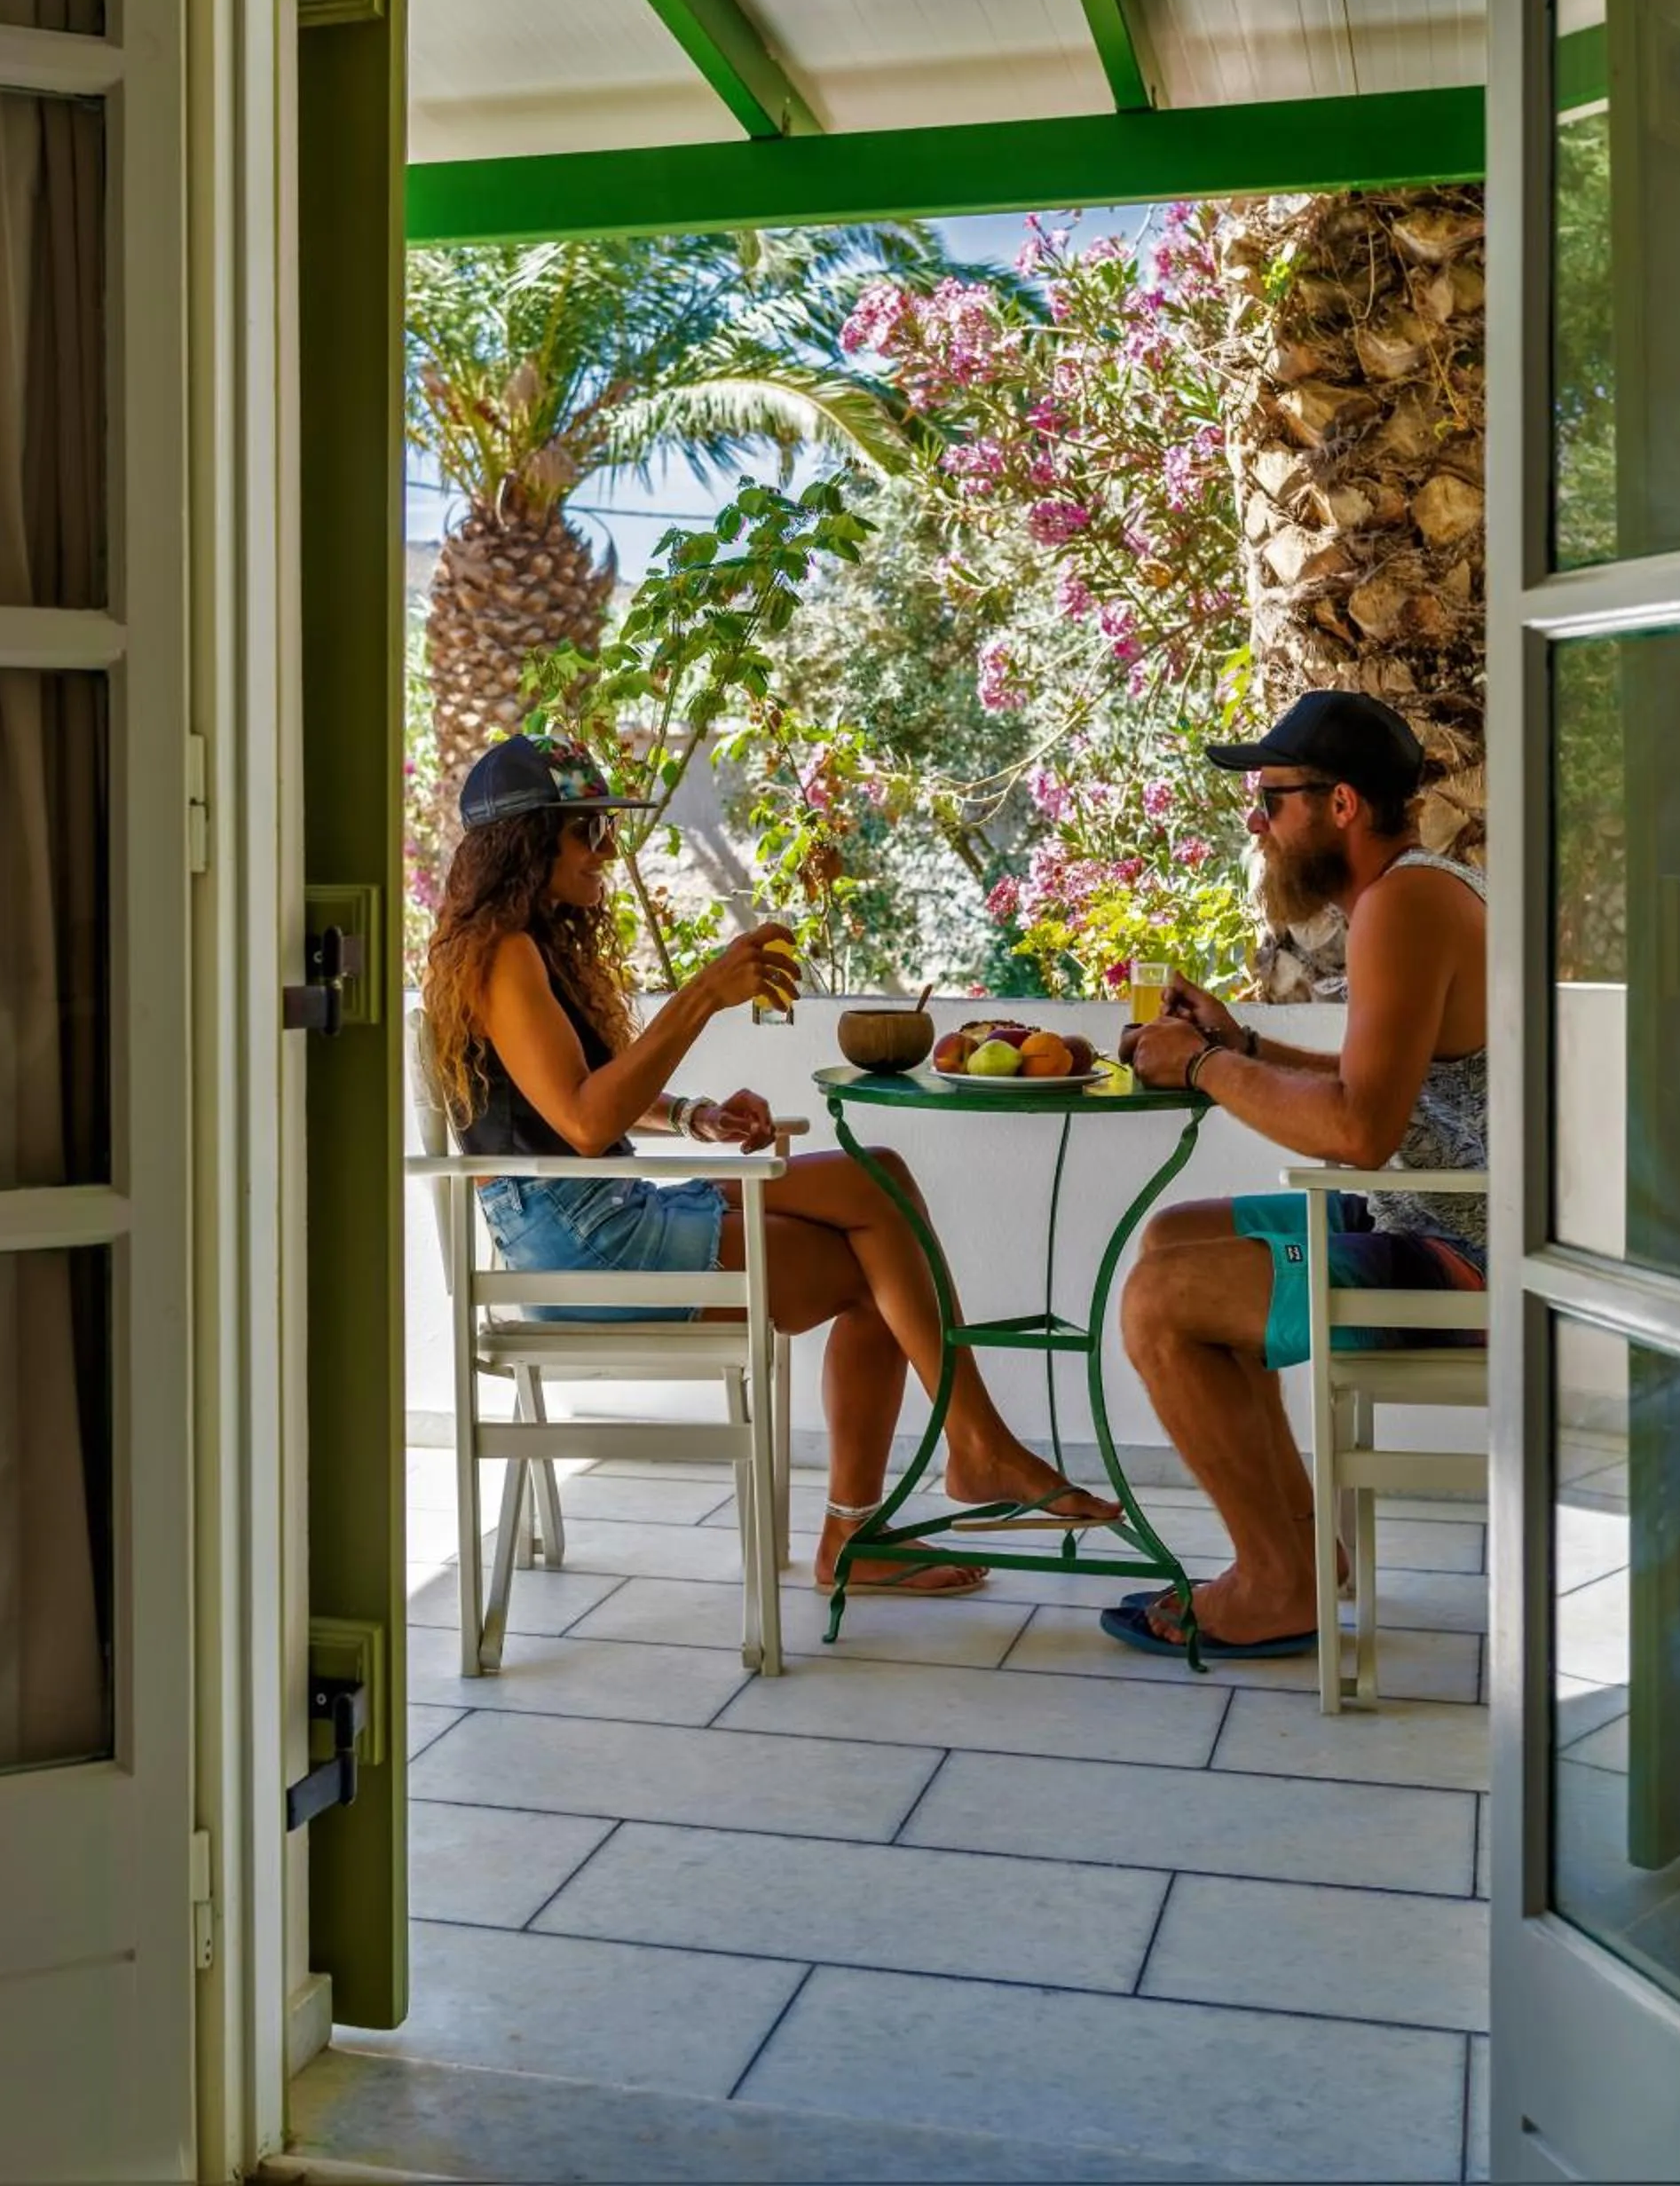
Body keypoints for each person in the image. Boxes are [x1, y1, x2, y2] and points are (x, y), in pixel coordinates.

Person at [420, 731, 1116, 1600]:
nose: (604, 852)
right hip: (584, 1241)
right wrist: (704, 995)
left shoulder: (508, 945)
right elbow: (585, 1121)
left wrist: (691, 1115)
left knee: (881, 1195)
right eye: (586, 833)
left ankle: (952, 1470)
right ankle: (929, 1486)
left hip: (591, 1218)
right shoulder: (504, 956)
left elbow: (571, 1094)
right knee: (880, 1245)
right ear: (529, 842)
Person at [1100, 690, 1487, 1662]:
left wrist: (1199, 1066)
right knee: (1177, 1237)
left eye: (1271, 797)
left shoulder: (1402, 905)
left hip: (1468, 1255)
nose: (1254, 819)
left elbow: (1357, 1131)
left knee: (1160, 1299)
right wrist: (1243, 1042)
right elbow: (1380, 1087)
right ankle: (1305, 1556)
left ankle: (1275, 1584)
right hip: (1433, 1219)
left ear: (1342, 805)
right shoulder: (1413, 893)